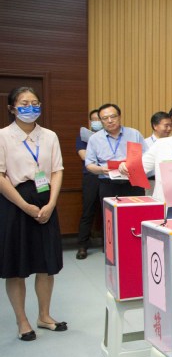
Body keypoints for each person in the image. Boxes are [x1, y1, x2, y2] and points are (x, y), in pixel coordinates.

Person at [0, 87, 66, 341]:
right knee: (16, 266)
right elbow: (1, 176)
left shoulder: (49, 136)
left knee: (46, 265)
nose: (30, 107)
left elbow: (57, 171)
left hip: (45, 198)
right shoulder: (3, 136)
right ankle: (22, 321)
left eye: (35, 102)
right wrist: (24, 206)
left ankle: (44, 316)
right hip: (14, 201)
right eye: (24, 103)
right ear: (12, 108)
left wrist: (51, 203)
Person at [85, 103, 146, 199]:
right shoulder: (94, 139)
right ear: (101, 121)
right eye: (105, 118)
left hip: (133, 182)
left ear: (119, 117)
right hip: (108, 184)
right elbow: (89, 164)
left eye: (113, 116)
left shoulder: (134, 134)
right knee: (110, 209)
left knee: (136, 208)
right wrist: (101, 170)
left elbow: (146, 156)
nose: (110, 121)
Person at [75, 109, 102, 259]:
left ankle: (109, 245)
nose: (97, 122)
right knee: (88, 211)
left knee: (108, 212)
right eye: (94, 120)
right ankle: (82, 246)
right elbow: (84, 156)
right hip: (91, 177)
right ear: (90, 122)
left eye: (99, 119)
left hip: (107, 177)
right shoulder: (83, 137)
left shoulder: (108, 137)